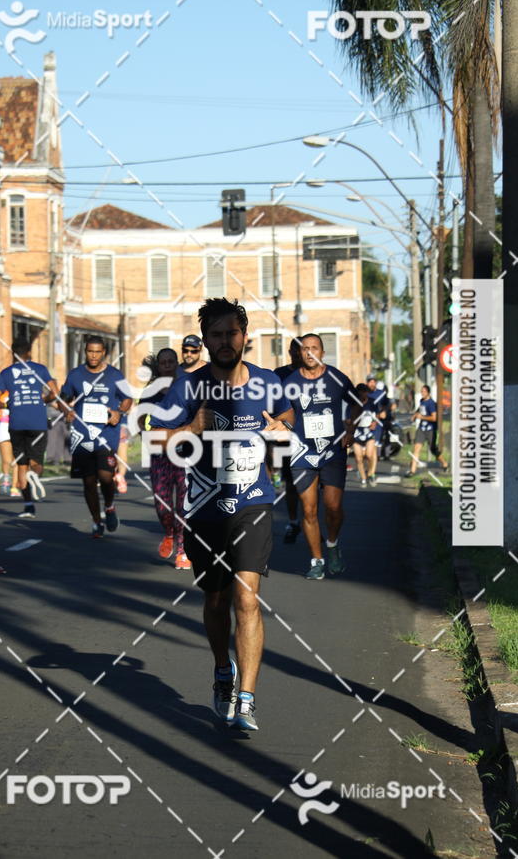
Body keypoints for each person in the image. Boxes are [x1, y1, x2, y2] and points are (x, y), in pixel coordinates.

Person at [149, 298, 293, 732]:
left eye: (232, 333)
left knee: (247, 598)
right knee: (215, 599)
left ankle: (247, 700)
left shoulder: (267, 381)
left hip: (252, 501)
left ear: (245, 336)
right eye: (216, 335)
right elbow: (155, 441)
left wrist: (281, 428)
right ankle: (221, 669)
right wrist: (191, 430)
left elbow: (286, 416)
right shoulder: (187, 387)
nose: (225, 341)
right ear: (206, 339)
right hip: (204, 504)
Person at [283, 334, 361, 580]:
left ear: (322, 352)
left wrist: (351, 429)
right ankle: (316, 561)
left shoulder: (336, 378)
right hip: (302, 453)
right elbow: (283, 413)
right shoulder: (290, 382)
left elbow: (357, 403)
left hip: (332, 451)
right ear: (300, 353)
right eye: (305, 349)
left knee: (333, 507)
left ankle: (333, 544)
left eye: (314, 348)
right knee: (309, 510)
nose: (309, 353)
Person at [60, 335, 132, 537]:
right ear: (85, 352)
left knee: (106, 477)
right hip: (82, 436)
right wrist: (66, 411)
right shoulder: (75, 375)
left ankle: (109, 505)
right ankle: (96, 521)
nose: (93, 355)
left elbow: (128, 399)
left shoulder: (115, 375)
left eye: (97, 352)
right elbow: (63, 398)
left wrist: (119, 412)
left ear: (104, 353)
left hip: (106, 434)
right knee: (89, 481)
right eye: (90, 351)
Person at [0, 339, 58, 519]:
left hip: (16, 424)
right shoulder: (40, 369)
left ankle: (28, 506)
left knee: (21, 463)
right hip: (37, 422)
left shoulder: (6, 373)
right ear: (29, 353)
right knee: (36, 461)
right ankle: (34, 476)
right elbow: (55, 392)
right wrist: (43, 401)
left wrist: (8, 404)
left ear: (12, 353)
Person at [141, 348, 190, 570]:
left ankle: (182, 549)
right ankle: (169, 532)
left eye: (171, 361)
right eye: (163, 362)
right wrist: (146, 433)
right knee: (162, 504)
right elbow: (141, 418)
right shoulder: (151, 391)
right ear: (158, 367)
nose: (168, 365)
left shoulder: (186, 388)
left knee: (183, 503)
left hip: (185, 454)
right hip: (159, 454)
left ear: (177, 364)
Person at [275, 339, 303, 543]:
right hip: (288, 437)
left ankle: (311, 520)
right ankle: (293, 521)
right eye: (295, 350)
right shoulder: (280, 374)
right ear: (290, 351)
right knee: (291, 483)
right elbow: (271, 402)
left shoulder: (315, 375)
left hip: (311, 437)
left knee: (312, 483)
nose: (298, 353)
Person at [405, 384, 448, 476]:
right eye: (421, 391)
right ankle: (412, 471)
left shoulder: (431, 404)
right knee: (416, 448)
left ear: (428, 392)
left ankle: (444, 463)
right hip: (421, 429)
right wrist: (415, 415)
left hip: (430, 430)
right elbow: (419, 409)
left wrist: (422, 417)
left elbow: (434, 418)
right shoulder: (422, 401)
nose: (422, 393)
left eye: (424, 391)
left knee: (433, 449)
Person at [350, 383, 378, 487]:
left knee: (369, 455)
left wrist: (374, 423)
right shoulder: (353, 403)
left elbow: (376, 417)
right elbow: (349, 417)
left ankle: (371, 473)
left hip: (369, 432)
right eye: (360, 392)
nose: (363, 394)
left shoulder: (372, 403)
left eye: (365, 392)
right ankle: (363, 478)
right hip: (357, 433)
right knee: (358, 458)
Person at [0, 392, 20, 496]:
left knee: (17, 460)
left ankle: (14, 487)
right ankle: (6, 480)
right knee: (6, 460)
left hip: (17, 428)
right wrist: (2, 416)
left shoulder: (20, 393)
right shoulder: (1, 395)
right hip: (4, 428)